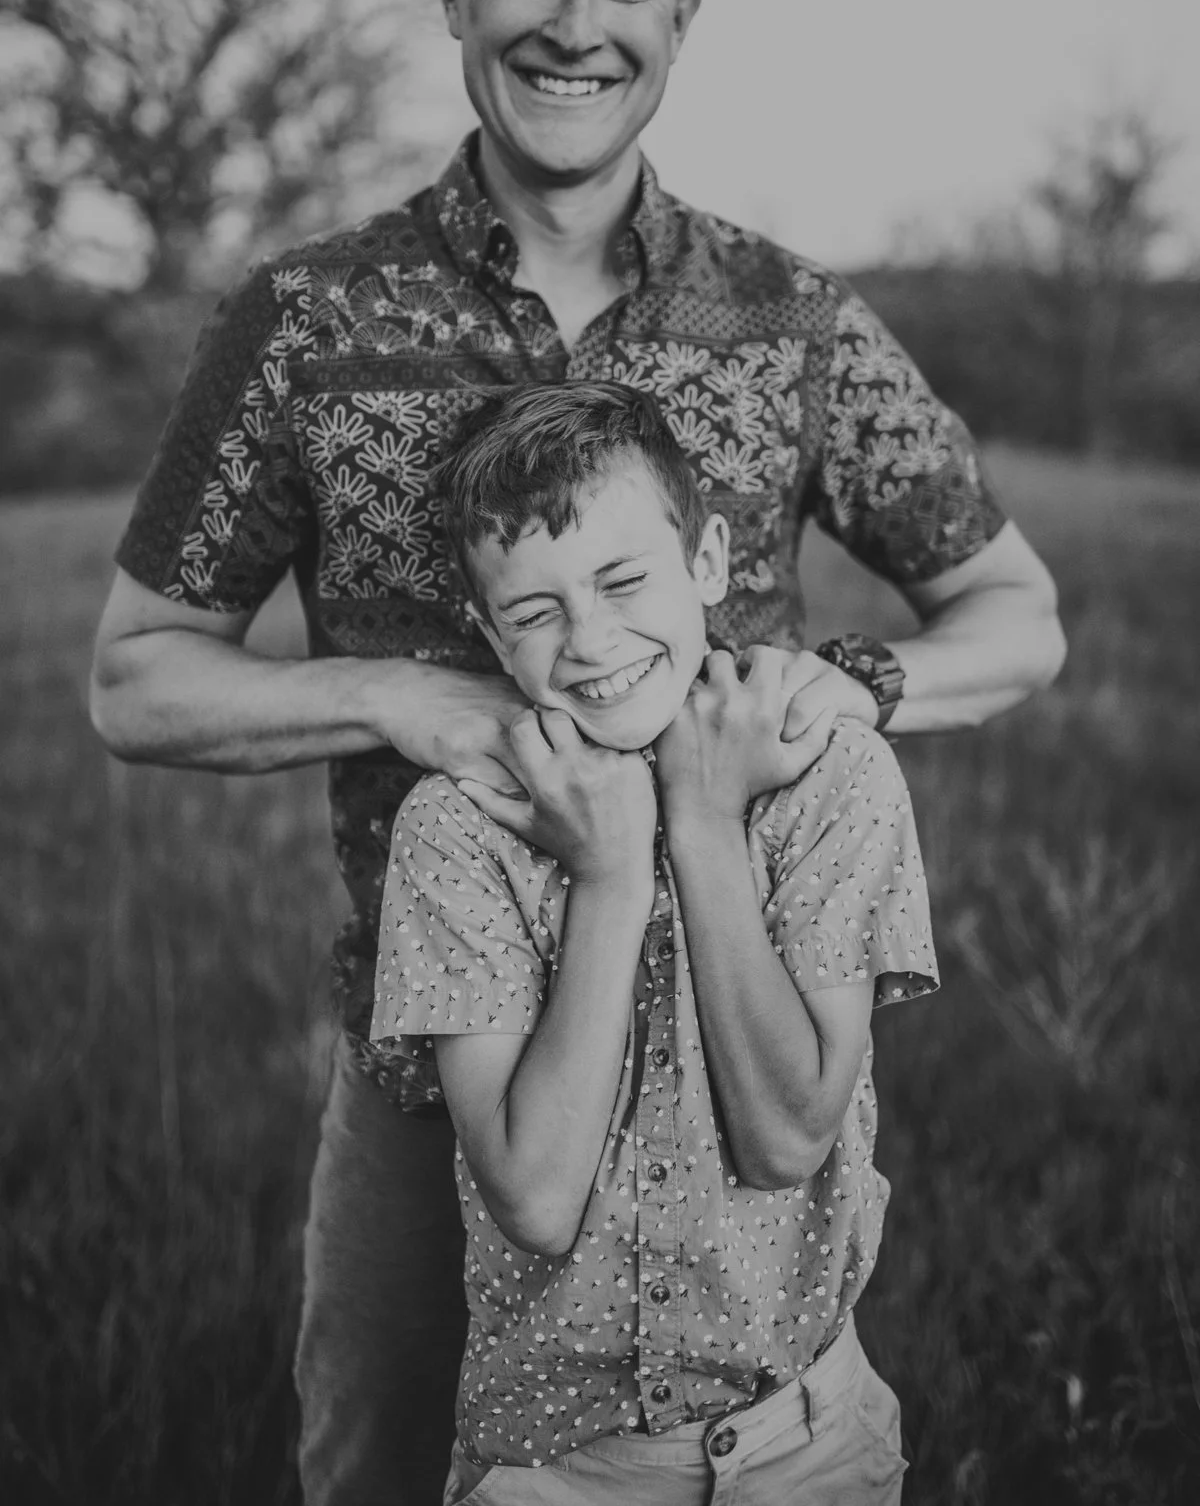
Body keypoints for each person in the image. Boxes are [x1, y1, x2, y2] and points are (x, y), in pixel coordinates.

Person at [88, 0, 1065, 1506]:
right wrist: (405, 696)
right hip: (433, 1062)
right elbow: (134, 674)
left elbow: (1018, 617)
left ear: (683, 11)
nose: (576, 23)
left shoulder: (785, 320)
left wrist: (830, 690)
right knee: (382, 1469)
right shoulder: (307, 321)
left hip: (738, 1047)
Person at [370, 379, 937, 1505]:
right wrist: (612, 872)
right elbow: (535, 1198)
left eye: (624, 581)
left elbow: (787, 1137)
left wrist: (707, 823)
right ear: (488, 633)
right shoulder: (455, 827)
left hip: (808, 1442)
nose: (591, 641)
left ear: (708, 561)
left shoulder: (834, 774)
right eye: (534, 612)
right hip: (555, 1469)